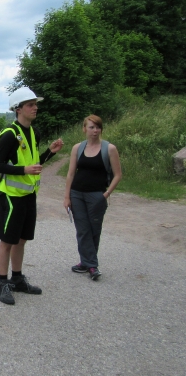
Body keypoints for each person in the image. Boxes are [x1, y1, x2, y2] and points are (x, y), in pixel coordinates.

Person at [0, 87, 64, 305]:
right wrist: (23, 171)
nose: (35, 107)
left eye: (35, 104)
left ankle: (18, 278)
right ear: (18, 109)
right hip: (11, 197)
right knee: (7, 241)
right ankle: (2, 283)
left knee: (22, 239)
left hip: (29, 194)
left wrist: (49, 152)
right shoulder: (9, 134)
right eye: (31, 104)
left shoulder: (34, 132)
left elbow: (33, 164)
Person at [64, 115, 122, 281]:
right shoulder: (78, 148)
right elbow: (70, 173)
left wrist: (106, 194)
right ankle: (91, 266)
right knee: (83, 230)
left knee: (94, 229)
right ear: (84, 129)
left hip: (97, 195)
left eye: (98, 127)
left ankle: (86, 263)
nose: (95, 130)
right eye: (91, 127)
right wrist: (66, 196)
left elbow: (118, 175)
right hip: (77, 194)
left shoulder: (109, 149)